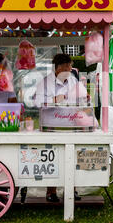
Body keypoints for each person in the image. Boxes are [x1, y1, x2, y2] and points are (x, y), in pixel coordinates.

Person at [34, 53, 81, 202]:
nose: (71, 69)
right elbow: (37, 102)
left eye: (71, 66)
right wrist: (55, 99)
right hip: (51, 126)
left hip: (70, 125)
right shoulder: (45, 83)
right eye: (68, 66)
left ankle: (72, 190)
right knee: (52, 159)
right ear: (59, 68)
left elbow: (79, 98)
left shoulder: (73, 81)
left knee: (72, 158)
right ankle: (51, 192)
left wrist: (84, 98)